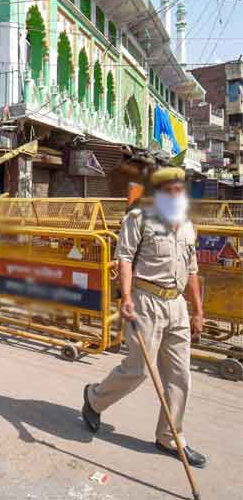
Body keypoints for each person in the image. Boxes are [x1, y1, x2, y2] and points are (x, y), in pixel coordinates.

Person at [81, 167, 207, 468]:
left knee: (180, 376)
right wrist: (125, 297)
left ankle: (170, 436)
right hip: (146, 301)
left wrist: (198, 310)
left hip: (176, 305)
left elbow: (192, 272)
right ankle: (95, 399)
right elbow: (124, 257)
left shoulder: (188, 226)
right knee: (137, 369)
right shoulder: (138, 218)